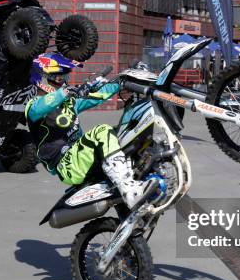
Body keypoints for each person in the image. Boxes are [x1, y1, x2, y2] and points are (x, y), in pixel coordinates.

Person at [25, 53, 157, 210]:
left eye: (64, 77)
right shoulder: (33, 107)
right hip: (67, 165)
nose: (64, 81)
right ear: (42, 78)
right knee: (102, 131)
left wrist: (123, 80)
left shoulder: (70, 102)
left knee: (122, 132)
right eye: (59, 78)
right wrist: (67, 92)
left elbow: (98, 96)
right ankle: (129, 189)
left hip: (81, 157)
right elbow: (41, 107)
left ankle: (138, 173)